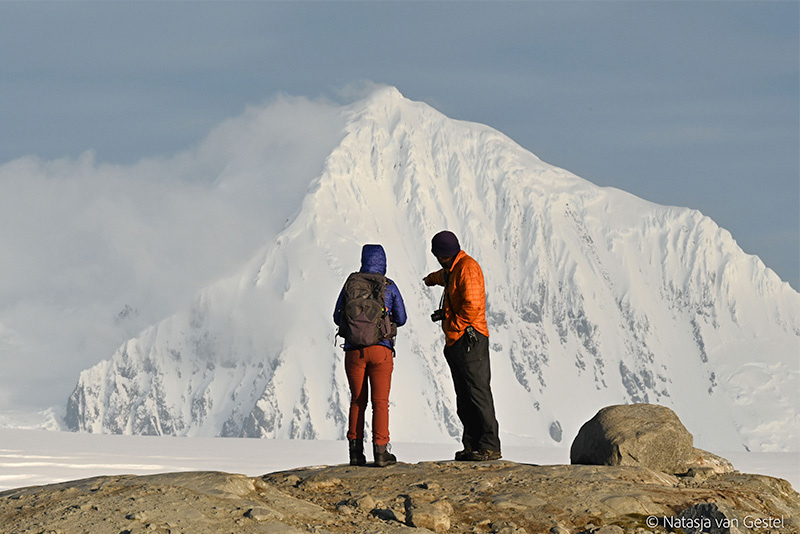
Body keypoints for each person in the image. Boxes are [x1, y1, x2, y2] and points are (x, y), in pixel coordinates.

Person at [423, 231, 501, 461]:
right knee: (464, 395)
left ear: (442, 255)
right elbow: (446, 277)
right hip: (458, 340)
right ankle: (472, 445)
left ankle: (489, 445)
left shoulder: (467, 268)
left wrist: (453, 324)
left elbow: (472, 305)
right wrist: (431, 279)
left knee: (477, 392)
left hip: (470, 339)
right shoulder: (454, 267)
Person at [334, 244, 407, 467]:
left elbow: (338, 317)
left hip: (354, 351)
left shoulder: (351, 284)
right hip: (381, 350)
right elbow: (402, 318)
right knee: (380, 403)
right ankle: (381, 452)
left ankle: (355, 453)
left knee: (357, 401)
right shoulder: (389, 286)